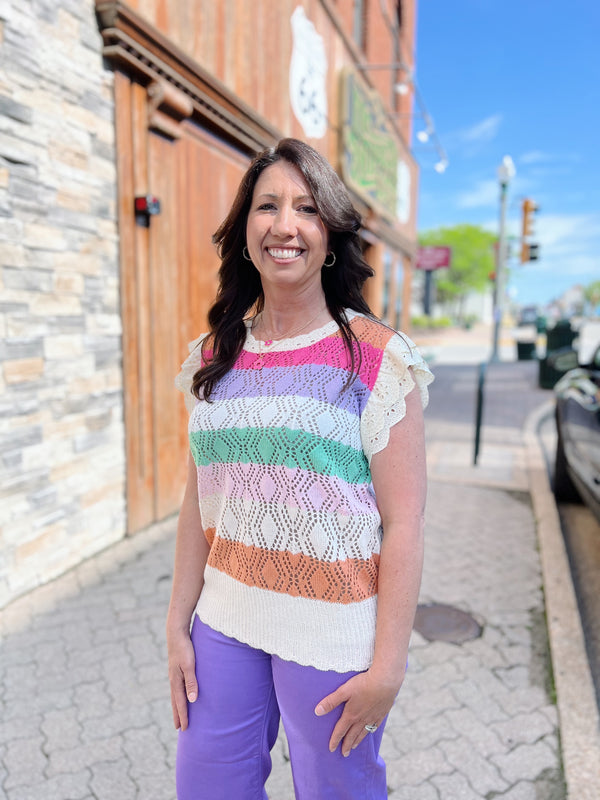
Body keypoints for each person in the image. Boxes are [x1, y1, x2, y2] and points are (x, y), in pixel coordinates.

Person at [167, 137, 433, 799]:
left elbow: (405, 524)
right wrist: (177, 624)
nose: (285, 224)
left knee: (336, 791)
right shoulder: (212, 355)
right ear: (245, 229)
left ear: (330, 234)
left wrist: (389, 665)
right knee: (206, 788)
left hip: (333, 632)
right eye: (267, 206)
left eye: (306, 208)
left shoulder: (376, 356)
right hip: (224, 622)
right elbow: (198, 502)